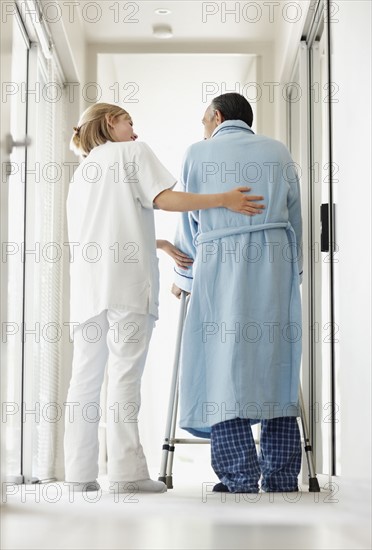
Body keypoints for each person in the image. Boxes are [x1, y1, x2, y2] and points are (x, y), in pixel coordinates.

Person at [64, 102, 264, 494]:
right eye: (129, 122)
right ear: (110, 122)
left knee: (84, 381)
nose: (135, 132)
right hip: (126, 287)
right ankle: (126, 475)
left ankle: (78, 475)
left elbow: (100, 229)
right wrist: (223, 199)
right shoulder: (132, 152)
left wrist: (157, 242)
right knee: (124, 376)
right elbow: (165, 199)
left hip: (88, 288)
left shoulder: (82, 172)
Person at [172, 93, 303, 493]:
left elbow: (189, 220)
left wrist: (185, 278)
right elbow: (294, 213)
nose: (204, 127)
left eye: (204, 119)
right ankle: (281, 476)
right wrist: (291, 271)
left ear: (216, 116)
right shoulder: (278, 151)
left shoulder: (198, 152)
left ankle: (239, 476)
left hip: (219, 264)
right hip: (274, 261)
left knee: (221, 366)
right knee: (276, 363)